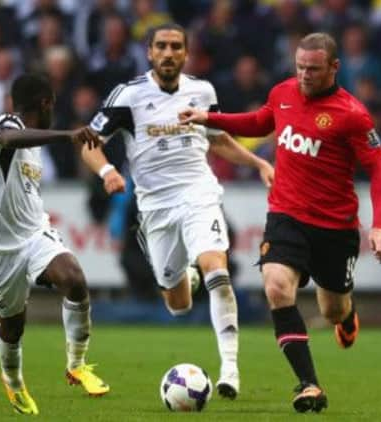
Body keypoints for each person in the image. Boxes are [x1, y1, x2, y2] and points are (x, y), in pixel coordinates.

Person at [180, 32, 381, 413]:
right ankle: (309, 384)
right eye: (300, 67)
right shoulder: (283, 92)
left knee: (332, 310)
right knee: (277, 288)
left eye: (313, 69)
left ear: (334, 67)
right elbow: (261, 121)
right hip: (286, 215)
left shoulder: (353, 115)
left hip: (334, 226)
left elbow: (379, 170)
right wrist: (208, 118)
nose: (305, 75)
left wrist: (379, 225)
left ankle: (347, 314)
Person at [82, 23, 274, 400]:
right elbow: (89, 142)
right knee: (178, 303)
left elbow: (218, 140)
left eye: (176, 47)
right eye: (161, 47)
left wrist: (258, 164)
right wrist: (107, 172)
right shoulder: (128, 95)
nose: (169, 53)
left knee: (217, 268)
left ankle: (230, 370)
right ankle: (189, 275)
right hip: (155, 207)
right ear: (149, 52)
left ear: (186, 54)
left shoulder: (202, 92)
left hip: (199, 194)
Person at [0, 73, 109, 415]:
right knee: (13, 327)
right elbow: (8, 137)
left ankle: (76, 364)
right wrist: (66, 135)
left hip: (34, 235)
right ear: (46, 103)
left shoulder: (31, 148)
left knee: (73, 277)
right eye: (53, 106)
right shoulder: (3, 127)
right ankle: (13, 381)